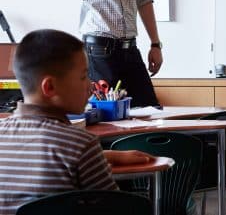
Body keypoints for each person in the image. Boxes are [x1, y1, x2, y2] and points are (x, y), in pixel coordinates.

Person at [0, 29, 153, 215]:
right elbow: (112, 208)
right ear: (49, 87)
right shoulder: (79, 144)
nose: (91, 85)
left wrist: (105, 156)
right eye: (83, 76)